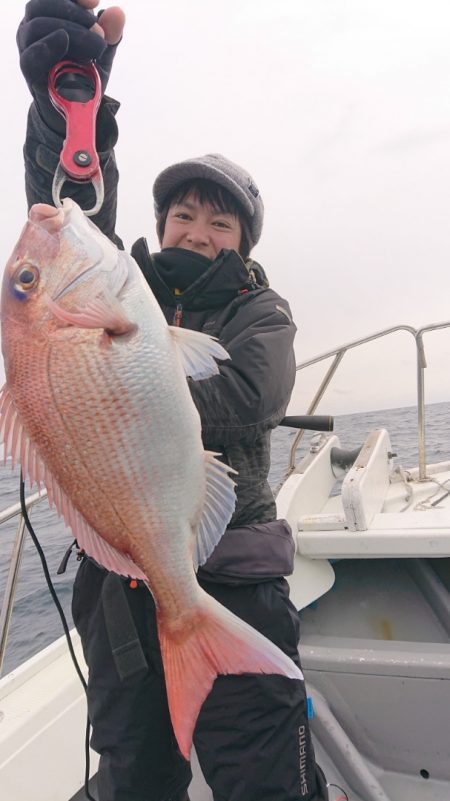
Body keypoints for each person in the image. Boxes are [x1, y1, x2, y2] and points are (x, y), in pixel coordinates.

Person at [17, 2, 329, 800]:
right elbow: (74, 198)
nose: (195, 230)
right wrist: (71, 107)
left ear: (243, 241)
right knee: (133, 775)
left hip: (232, 577)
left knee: (263, 776)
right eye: (182, 215)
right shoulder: (130, 295)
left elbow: (251, 392)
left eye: (218, 221)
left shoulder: (261, 311)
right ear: (158, 225)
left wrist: (137, 375)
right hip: (122, 590)